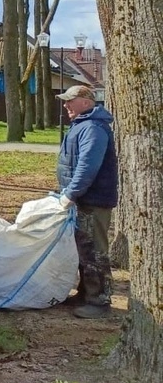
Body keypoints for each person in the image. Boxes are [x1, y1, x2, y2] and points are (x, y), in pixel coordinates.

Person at [54, 85, 118, 319]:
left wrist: (71, 193)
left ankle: (99, 300)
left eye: (70, 100)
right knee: (82, 248)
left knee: (94, 251)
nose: (65, 105)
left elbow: (87, 166)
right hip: (83, 200)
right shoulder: (82, 125)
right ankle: (85, 293)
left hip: (93, 201)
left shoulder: (93, 128)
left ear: (86, 102)